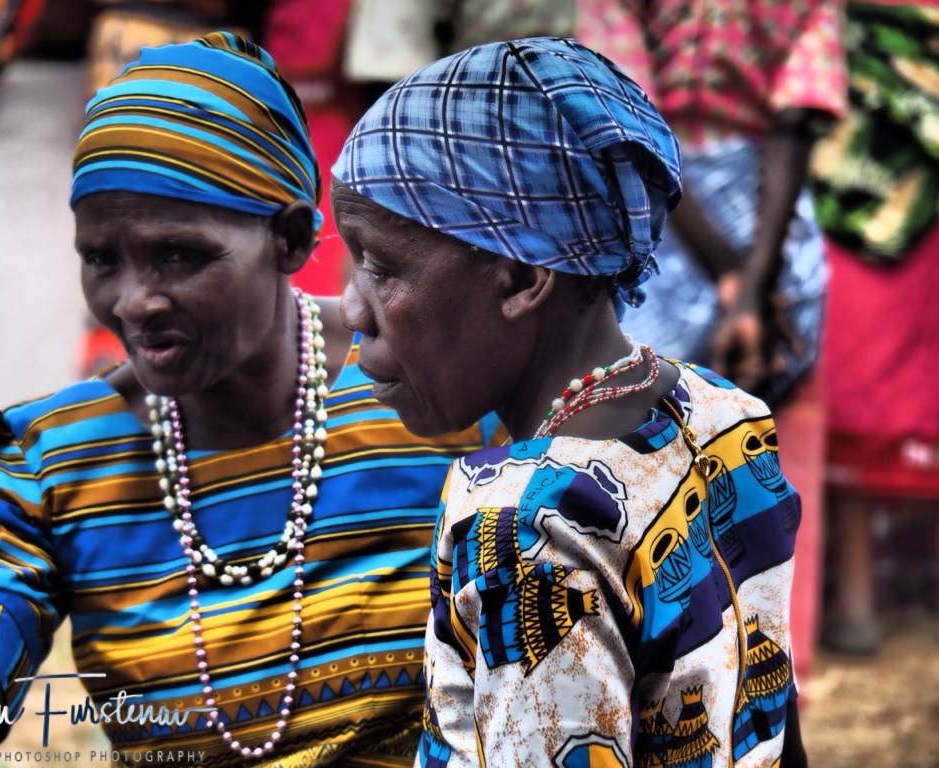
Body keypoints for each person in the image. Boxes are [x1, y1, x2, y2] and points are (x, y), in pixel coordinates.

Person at [0, 32, 500, 767]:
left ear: (290, 238)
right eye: (102, 259)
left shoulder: (440, 393)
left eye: (181, 254)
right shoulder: (43, 467)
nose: (133, 301)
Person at [332, 37, 806, 767]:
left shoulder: (522, 528)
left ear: (522, 277)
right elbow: (773, 720)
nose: (352, 310)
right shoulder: (720, 413)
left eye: (381, 267)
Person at [576, 0, 847, 682]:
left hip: (660, 213)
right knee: (746, 448)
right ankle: (752, 653)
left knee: (643, 449)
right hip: (767, 223)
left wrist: (733, 282)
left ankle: (658, 651)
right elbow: (793, 121)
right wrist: (752, 287)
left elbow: (624, 117)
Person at [809, 0, 939, 655]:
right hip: (870, 194)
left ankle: (859, 599)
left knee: (862, 386)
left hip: (856, 190)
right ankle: (860, 598)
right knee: (865, 391)